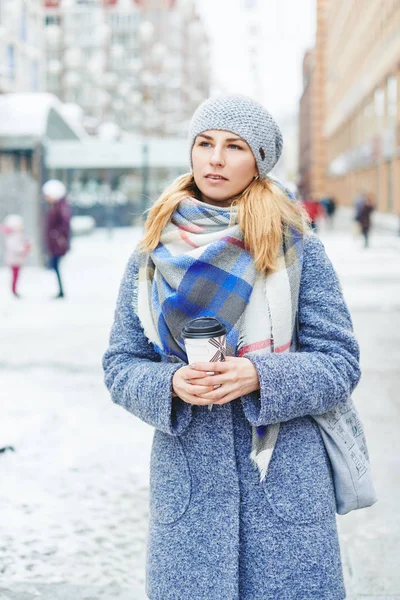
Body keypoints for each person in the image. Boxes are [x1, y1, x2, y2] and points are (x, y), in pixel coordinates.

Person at [102, 94, 361, 600]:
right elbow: (121, 363)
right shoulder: (152, 251)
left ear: (257, 161)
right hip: (190, 492)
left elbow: (340, 362)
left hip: (283, 486)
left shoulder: (296, 246)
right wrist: (170, 382)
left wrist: (261, 377)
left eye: (234, 146)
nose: (215, 159)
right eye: (204, 143)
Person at [42, 179, 71, 299]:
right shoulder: (58, 207)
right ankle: (60, 290)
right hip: (55, 242)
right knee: (55, 266)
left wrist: (56, 235)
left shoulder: (60, 208)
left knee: (55, 265)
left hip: (57, 243)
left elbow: (64, 224)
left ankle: (61, 291)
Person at [1, 214, 31, 298]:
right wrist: (23, 249)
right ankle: (13, 290)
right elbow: (15, 247)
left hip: (18, 259)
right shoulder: (12, 236)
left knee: (16, 275)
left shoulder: (18, 234)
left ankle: (14, 289)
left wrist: (26, 245)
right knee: (15, 275)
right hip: (14, 259)